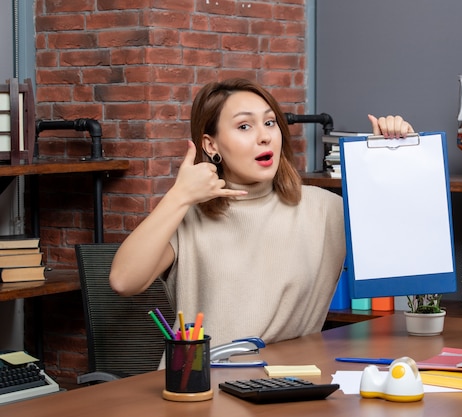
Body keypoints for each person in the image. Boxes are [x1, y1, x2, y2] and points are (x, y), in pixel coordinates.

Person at [109, 78, 414, 349]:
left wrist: (395, 159)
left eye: (270, 123)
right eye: (244, 126)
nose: (265, 136)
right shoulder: (188, 216)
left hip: (287, 386)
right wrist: (179, 197)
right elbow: (124, 281)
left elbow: (408, 259)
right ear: (211, 144)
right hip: (199, 385)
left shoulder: (325, 210)